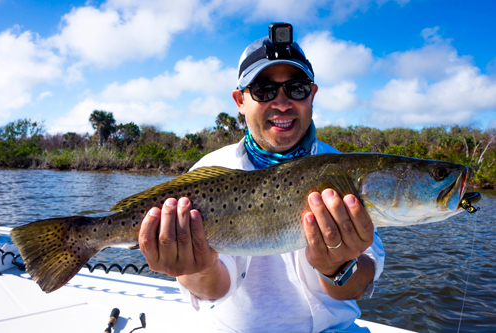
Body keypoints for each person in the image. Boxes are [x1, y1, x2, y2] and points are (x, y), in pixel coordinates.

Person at [138, 28, 385, 332]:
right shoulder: (208, 171)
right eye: (264, 90)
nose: (282, 104)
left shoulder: (346, 170)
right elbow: (213, 290)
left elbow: (359, 285)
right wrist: (195, 270)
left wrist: (338, 267)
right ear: (239, 100)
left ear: (312, 95)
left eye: (296, 88)